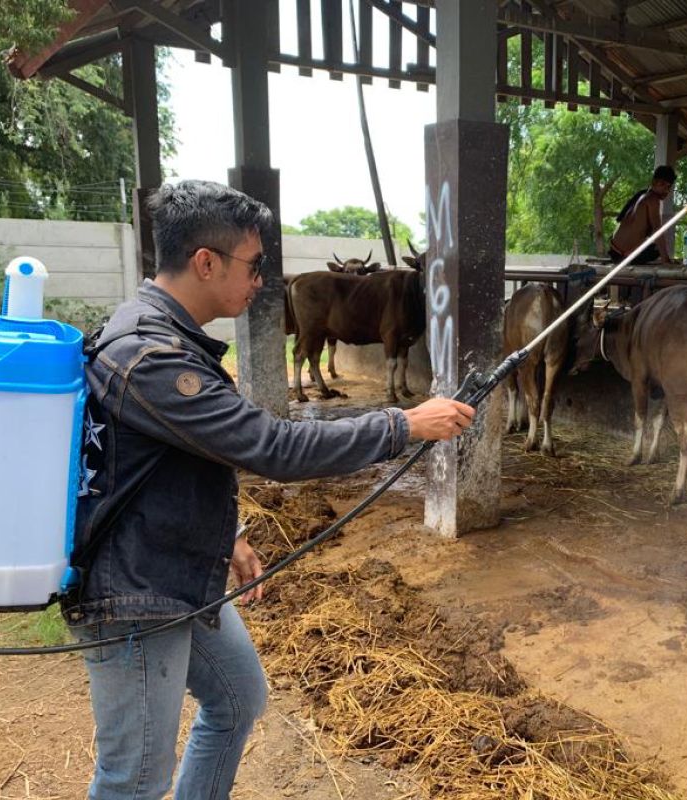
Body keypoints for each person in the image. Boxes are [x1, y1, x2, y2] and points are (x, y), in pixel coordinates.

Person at [61, 179, 474, 800]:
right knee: (134, 779)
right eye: (254, 265)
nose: (261, 282)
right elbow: (274, 448)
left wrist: (226, 533)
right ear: (206, 262)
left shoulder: (165, 336)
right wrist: (403, 423)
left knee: (238, 699)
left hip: (179, 568)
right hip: (136, 592)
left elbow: (167, 460)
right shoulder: (151, 356)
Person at [609, 165, 677, 265]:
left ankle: (630, 253)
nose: (666, 190)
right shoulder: (652, 199)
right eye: (662, 185)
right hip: (622, 255)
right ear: (654, 182)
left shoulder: (643, 196)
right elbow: (657, 230)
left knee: (654, 244)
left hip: (615, 252)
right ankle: (629, 254)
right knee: (657, 248)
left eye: (668, 187)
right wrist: (666, 260)